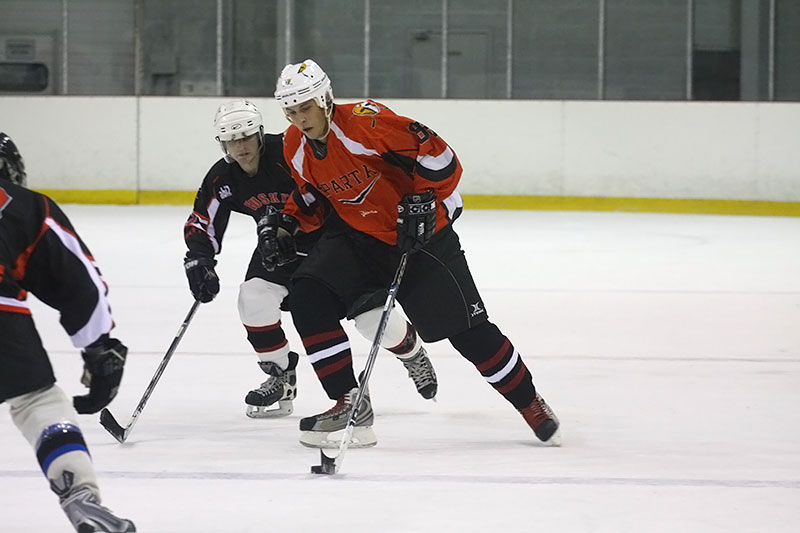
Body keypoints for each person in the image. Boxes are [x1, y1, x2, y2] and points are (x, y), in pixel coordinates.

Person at [261, 59, 561, 448]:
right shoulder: (293, 145)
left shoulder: (366, 124)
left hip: (424, 237)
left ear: (325, 100)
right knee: (308, 295)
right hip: (361, 238)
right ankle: (349, 404)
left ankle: (529, 402)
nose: (300, 119)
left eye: (306, 108)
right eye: (291, 111)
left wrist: (423, 199)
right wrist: (286, 226)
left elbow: (440, 157)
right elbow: (310, 199)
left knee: (468, 334)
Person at [183, 99, 437, 419]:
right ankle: (281, 376)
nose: (241, 147)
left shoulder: (289, 152)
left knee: (372, 319)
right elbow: (202, 221)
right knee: (253, 297)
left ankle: (412, 353)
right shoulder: (223, 178)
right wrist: (199, 259)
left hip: (334, 245)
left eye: (246, 137)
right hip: (279, 249)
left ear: (259, 133)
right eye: (232, 140)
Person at [0, 132, 136, 532]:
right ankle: (80, 496)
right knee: (37, 402)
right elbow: (81, 283)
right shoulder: (24, 205)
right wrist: (99, 349)